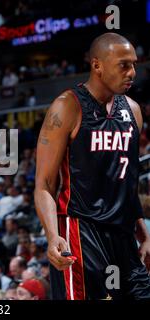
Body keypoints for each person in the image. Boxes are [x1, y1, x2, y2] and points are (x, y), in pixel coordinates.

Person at [35, 32, 150, 300]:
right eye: (123, 64)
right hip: (81, 229)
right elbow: (44, 185)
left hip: (123, 234)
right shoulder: (67, 107)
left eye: (134, 64)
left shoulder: (133, 110)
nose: (132, 72)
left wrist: (144, 233)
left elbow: (128, 183)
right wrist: (52, 236)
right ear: (97, 65)